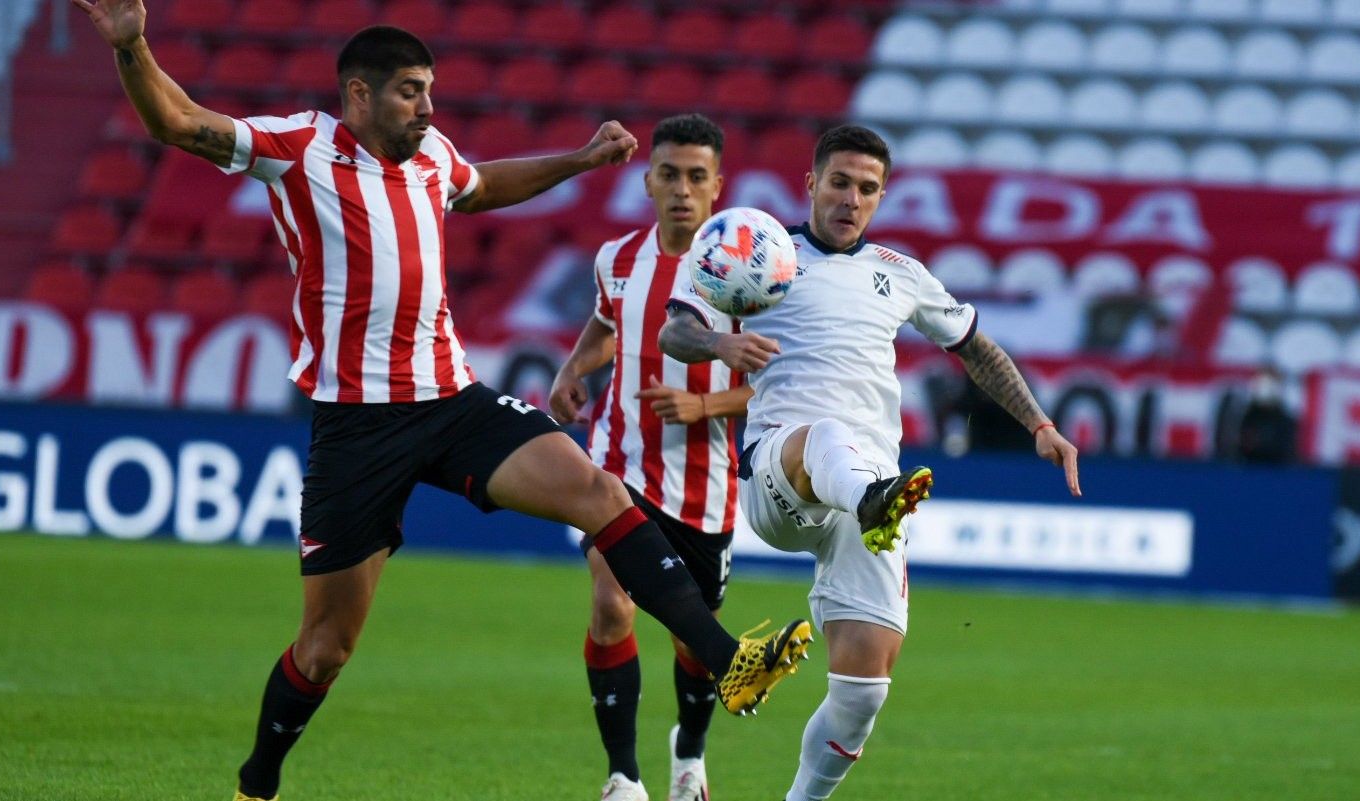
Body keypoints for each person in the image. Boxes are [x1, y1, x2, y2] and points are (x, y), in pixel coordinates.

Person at [71, 4, 811, 800]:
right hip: (357, 427)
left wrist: (584, 157)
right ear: (358, 94)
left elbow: (483, 185)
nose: (428, 110)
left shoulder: (431, 159)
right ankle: (258, 782)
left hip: (453, 401)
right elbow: (178, 123)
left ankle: (728, 659)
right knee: (324, 647)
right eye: (412, 94)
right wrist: (132, 46)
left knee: (599, 492)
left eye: (430, 93)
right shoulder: (297, 148)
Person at [660, 125, 1082, 801]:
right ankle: (871, 497)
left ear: (881, 197)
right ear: (811, 184)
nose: (850, 199)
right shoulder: (760, 250)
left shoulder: (901, 272)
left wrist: (1041, 422)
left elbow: (976, 347)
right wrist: (719, 343)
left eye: (866, 188)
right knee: (829, 433)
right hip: (785, 473)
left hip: (872, 487)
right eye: (839, 183)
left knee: (863, 692)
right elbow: (673, 329)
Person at [550, 114, 762, 801]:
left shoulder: (747, 276)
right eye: (668, 173)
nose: (681, 189)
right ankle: (623, 776)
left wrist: (705, 407)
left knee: (691, 639)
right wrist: (574, 367)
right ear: (647, 179)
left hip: (704, 482)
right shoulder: (617, 257)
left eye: (696, 176)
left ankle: (690, 754)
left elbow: (779, 386)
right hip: (617, 464)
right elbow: (609, 320)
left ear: (718, 187)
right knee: (611, 604)